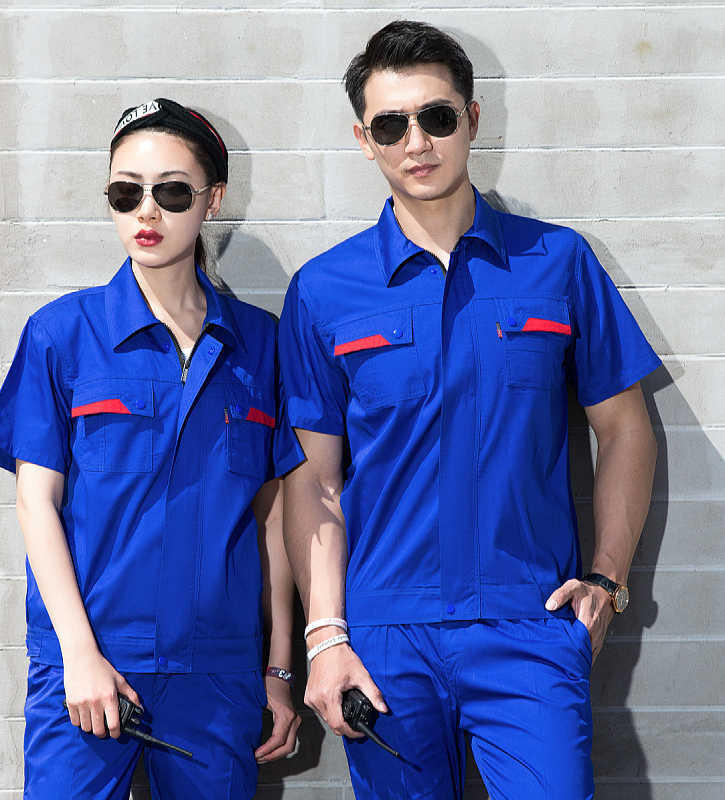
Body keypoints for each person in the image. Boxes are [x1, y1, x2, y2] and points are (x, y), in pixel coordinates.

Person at [278, 21, 660, 800]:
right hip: (385, 638)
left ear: (473, 120)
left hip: (531, 622)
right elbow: (312, 480)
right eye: (391, 125)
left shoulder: (557, 262)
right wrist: (325, 638)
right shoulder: (323, 290)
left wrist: (607, 580)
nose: (417, 142)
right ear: (364, 141)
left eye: (437, 116)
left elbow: (624, 428)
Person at [0, 98, 302, 799]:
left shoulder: (261, 344)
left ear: (213, 200)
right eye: (126, 193)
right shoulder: (61, 335)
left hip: (218, 671)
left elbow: (273, 518)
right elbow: (36, 503)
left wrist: (279, 669)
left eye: (172, 192)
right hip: (88, 661)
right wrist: (79, 655)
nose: (146, 212)